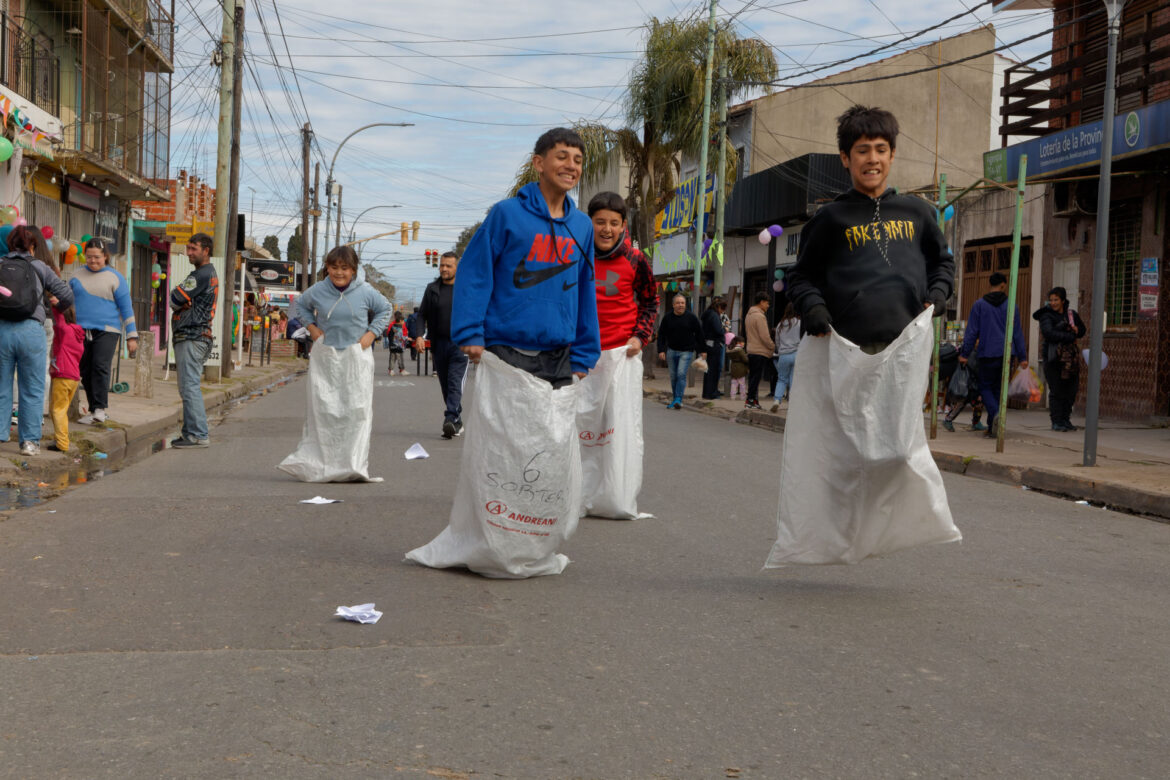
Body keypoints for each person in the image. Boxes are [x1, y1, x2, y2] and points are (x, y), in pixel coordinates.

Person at [407, 127, 600, 578]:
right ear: (538, 163)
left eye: (577, 159)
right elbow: (476, 275)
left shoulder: (582, 226)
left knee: (546, 455)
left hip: (559, 355)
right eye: (561, 156)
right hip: (507, 351)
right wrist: (471, 332)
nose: (571, 165)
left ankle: (531, 544)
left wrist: (586, 351)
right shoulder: (507, 215)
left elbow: (585, 290)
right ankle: (494, 541)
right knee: (505, 453)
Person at [578, 190, 658, 518]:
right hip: (581, 355)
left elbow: (651, 302)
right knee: (579, 426)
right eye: (600, 222)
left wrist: (641, 337)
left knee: (616, 429)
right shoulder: (575, 255)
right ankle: (576, 493)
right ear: (589, 223)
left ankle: (614, 495)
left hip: (621, 357)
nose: (607, 229)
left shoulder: (636, 260)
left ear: (623, 224)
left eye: (613, 222)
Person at [0, 225, 74, 456]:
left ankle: (1, 435)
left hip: (2, 330)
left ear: (10, 244)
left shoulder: (1, 264)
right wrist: (55, 305)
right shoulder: (40, 266)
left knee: (1, 385)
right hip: (32, 330)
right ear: (33, 246)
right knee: (32, 388)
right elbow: (67, 295)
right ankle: (29, 442)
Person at [69, 237, 138, 424]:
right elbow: (67, 302)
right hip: (81, 330)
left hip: (108, 330)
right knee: (85, 370)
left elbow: (126, 309)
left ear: (105, 256)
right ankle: (93, 411)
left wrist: (132, 336)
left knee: (100, 366)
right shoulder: (76, 276)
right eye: (89, 257)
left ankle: (100, 409)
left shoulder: (115, 277)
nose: (93, 261)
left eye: (97, 257)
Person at [959, 271, 1026, 437]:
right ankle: (992, 427)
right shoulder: (1011, 306)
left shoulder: (979, 305)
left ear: (991, 284)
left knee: (985, 386)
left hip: (987, 353)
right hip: (1006, 354)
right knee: (998, 388)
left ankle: (995, 414)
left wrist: (964, 353)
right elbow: (1017, 332)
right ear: (1003, 285)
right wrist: (1023, 357)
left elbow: (972, 332)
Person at [169, 232, 219, 448]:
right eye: (188, 248)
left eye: (193, 249)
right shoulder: (204, 273)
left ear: (205, 251)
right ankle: (190, 433)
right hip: (194, 336)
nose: (189, 253)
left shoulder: (201, 274)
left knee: (189, 386)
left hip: (193, 335)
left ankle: (198, 434)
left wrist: (182, 301)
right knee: (187, 386)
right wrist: (182, 301)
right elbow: (179, 299)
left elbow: (174, 298)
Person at [416, 251, 469, 438]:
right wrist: (419, 336)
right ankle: (457, 421)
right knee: (446, 385)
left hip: (460, 344)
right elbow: (421, 314)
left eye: (449, 266)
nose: (444, 269)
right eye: (442, 265)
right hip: (439, 344)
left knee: (455, 382)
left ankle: (449, 418)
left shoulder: (466, 288)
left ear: (457, 268)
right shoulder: (432, 289)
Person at [1033, 286, 1086, 432]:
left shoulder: (1071, 315)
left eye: (1056, 300)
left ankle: (1065, 419)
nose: (1053, 303)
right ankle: (1056, 421)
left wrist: (1076, 330)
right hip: (1053, 359)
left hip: (1070, 359)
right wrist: (1069, 336)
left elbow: (1082, 330)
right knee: (1057, 390)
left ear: (1063, 300)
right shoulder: (1046, 316)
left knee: (1071, 390)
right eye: (1051, 300)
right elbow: (1048, 333)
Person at [47, 303, 85, 452]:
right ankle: (60, 439)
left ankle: (62, 443)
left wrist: (55, 304)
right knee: (60, 410)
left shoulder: (65, 331)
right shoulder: (78, 335)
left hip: (62, 376)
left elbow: (59, 321)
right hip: (73, 378)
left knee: (57, 411)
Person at [656, 292, 703, 409]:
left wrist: (702, 350)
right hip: (671, 351)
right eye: (678, 303)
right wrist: (661, 350)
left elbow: (699, 334)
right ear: (673, 305)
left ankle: (678, 399)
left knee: (681, 374)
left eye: (682, 303)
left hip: (687, 351)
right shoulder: (667, 318)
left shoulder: (691, 318)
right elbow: (661, 334)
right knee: (673, 376)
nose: (680, 305)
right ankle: (675, 398)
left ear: (685, 305)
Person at [744, 291, 774, 410]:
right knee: (756, 378)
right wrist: (772, 346)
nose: (768, 306)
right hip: (759, 350)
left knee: (753, 377)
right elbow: (765, 336)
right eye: (767, 303)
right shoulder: (760, 316)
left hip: (751, 349)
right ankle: (750, 400)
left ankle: (754, 400)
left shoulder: (749, 314)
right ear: (761, 302)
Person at [770, 303, 801, 412]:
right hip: (796, 353)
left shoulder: (780, 325)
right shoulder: (799, 323)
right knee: (793, 379)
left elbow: (777, 342)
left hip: (783, 355)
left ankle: (777, 401)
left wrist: (780, 350)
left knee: (781, 379)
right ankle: (792, 404)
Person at [701, 296, 727, 399]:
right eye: (723, 309)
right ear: (719, 307)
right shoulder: (714, 315)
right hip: (714, 345)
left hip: (708, 344)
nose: (722, 312)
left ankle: (707, 392)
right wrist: (724, 330)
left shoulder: (707, 314)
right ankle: (712, 392)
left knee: (708, 370)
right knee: (714, 369)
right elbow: (718, 330)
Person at [387, 310, 407, 375]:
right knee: (400, 357)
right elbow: (403, 335)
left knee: (392, 357)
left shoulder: (391, 325)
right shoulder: (401, 326)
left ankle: (391, 370)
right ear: (400, 320)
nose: (404, 322)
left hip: (392, 344)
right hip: (399, 345)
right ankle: (402, 369)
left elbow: (388, 333)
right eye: (403, 321)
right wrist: (406, 338)